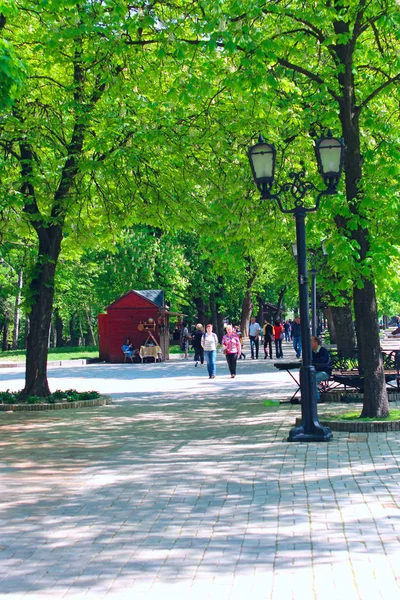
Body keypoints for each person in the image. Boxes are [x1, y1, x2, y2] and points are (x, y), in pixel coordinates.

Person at [311, 335, 332, 402]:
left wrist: (312, 360)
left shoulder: (323, 351)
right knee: (305, 377)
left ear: (316, 342)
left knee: (313, 379)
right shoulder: (311, 352)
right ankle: (308, 397)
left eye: (311, 342)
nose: (309, 343)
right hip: (316, 371)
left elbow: (323, 361)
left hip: (325, 372)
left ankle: (316, 398)